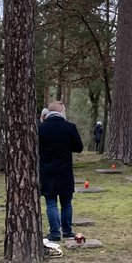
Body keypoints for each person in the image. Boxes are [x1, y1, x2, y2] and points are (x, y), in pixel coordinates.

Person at [40, 101, 84, 244]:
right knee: (66, 202)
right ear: (61, 111)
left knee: (51, 203)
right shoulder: (69, 127)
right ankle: (66, 231)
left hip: (47, 170)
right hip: (65, 170)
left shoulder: (41, 128)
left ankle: (54, 233)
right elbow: (79, 147)